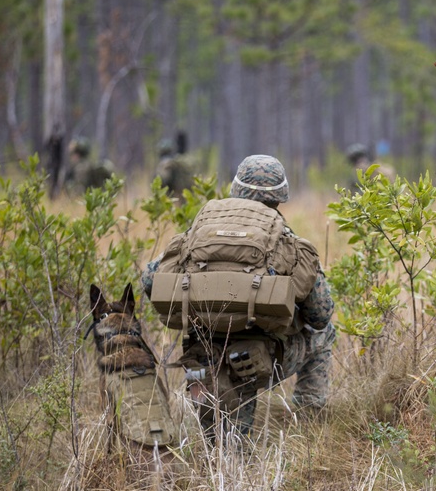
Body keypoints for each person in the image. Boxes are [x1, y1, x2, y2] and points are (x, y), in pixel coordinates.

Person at [142, 154, 335, 439]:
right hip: (259, 359)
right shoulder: (288, 242)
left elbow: (149, 280)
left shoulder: (199, 232)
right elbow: (320, 315)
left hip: (203, 356)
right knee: (325, 334)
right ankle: (308, 422)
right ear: (280, 196)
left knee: (217, 449)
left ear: (236, 188)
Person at [155, 138, 195, 203]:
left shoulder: (167, 163)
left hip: (176, 194)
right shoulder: (183, 161)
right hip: (185, 192)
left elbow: (165, 179)